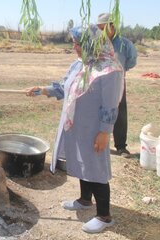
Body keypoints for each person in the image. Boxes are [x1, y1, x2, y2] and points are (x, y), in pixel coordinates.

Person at [26, 25, 124, 233]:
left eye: (79, 43)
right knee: (82, 162)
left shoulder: (109, 70)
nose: (75, 47)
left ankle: (104, 216)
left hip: (94, 129)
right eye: (74, 42)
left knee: (96, 168)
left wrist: (105, 132)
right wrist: (43, 90)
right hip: (76, 126)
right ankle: (85, 200)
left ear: (92, 44)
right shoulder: (79, 65)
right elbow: (63, 87)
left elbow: (110, 105)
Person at [97, 13, 137, 157]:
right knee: (98, 110)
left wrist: (120, 70)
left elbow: (132, 61)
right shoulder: (97, 42)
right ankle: (99, 140)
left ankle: (121, 146)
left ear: (112, 27)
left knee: (119, 112)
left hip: (118, 82)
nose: (101, 32)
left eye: (103, 29)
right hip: (98, 81)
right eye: (99, 29)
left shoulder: (125, 44)